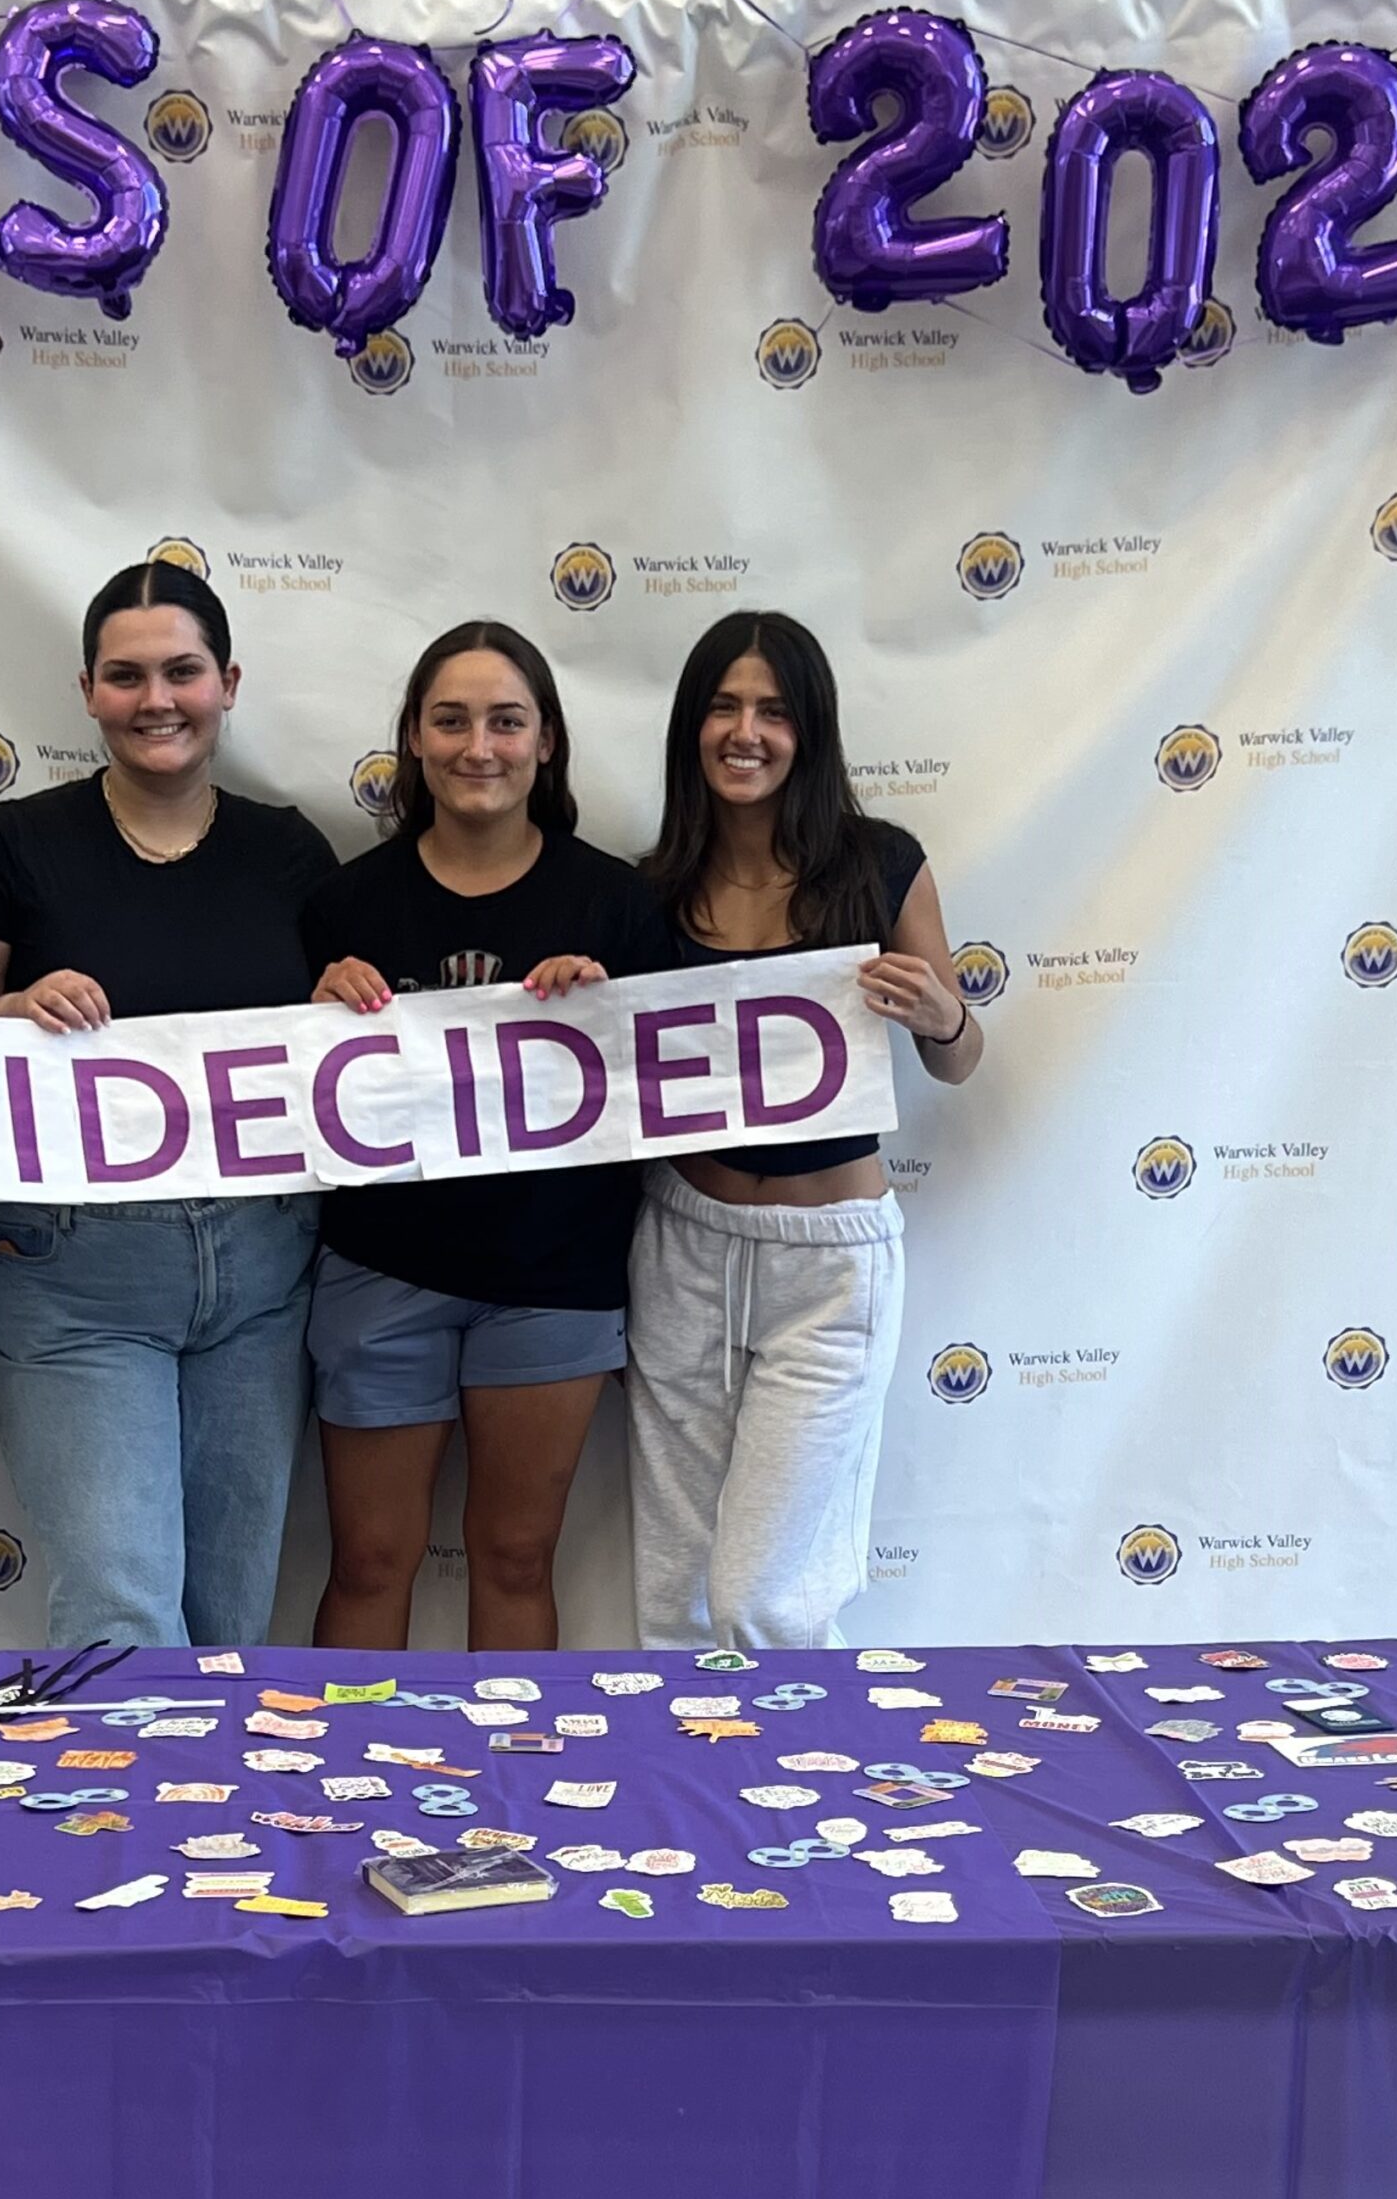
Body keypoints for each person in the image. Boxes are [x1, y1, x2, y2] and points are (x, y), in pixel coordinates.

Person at [0, 561, 338, 1649]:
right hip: (70, 1276)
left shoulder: (290, 851)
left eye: (181, 671)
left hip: (264, 1272)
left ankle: (212, 1824)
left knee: (227, 1624)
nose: (156, 699)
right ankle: (113, 1824)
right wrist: (9, 1006)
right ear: (86, 690)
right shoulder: (10, 846)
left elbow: (337, 1047)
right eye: (126, 676)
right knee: (123, 1620)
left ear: (227, 682)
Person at [301, 619, 670, 1651]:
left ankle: (509, 1797)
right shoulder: (341, 902)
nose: (479, 747)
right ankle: (340, 1788)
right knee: (370, 1560)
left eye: (506, 722)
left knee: (514, 1557)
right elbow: (284, 1095)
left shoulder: (614, 899)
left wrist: (610, 1015)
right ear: (413, 741)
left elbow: (673, 1087)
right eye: (450, 721)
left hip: (554, 1278)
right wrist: (312, 1004)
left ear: (545, 740)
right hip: (379, 1270)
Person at [626, 610, 981, 1652]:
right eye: (724, 706)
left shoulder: (879, 863)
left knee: (766, 1600)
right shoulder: (649, 890)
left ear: (809, 731)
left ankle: (804, 1799)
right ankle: (680, 1807)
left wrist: (942, 1015)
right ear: (691, 726)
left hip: (830, 1262)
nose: (746, 731)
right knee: (675, 1601)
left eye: (773, 711)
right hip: (683, 1244)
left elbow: (957, 1057)